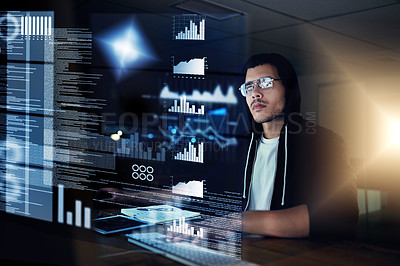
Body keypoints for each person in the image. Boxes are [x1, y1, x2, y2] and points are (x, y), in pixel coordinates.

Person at [239, 53, 359, 239]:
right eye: (249, 86)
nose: (255, 92)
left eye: (265, 83)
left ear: (288, 87)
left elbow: (341, 216)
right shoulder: (239, 147)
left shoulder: (325, 143)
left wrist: (239, 222)